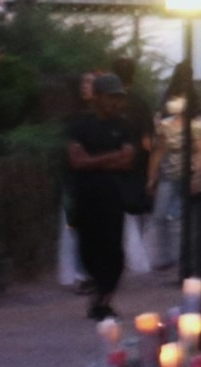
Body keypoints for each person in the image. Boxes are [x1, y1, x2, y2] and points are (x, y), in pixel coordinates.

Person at [66, 71, 135, 321]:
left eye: (118, 97)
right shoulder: (80, 125)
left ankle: (104, 300)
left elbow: (127, 159)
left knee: (114, 250)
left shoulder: (123, 125)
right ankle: (99, 295)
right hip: (86, 196)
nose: (115, 102)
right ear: (96, 98)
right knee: (89, 248)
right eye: (110, 97)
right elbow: (76, 161)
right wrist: (111, 158)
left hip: (114, 197)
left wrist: (93, 160)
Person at [148, 64, 201, 275]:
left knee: (183, 219)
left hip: (189, 174)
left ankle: (184, 258)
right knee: (164, 216)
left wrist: (200, 175)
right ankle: (171, 256)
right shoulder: (168, 123)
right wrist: (152, 177)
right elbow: (158, 150)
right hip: (170, 173)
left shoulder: (195, 124)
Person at [112, 57, 156, 273]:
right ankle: (133, 253)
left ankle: (118, 253)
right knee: (134, 211)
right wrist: (151, 173)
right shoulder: (140, 103)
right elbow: (148, 142)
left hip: (112, 161)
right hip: (136, 164)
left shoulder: (108, 103)